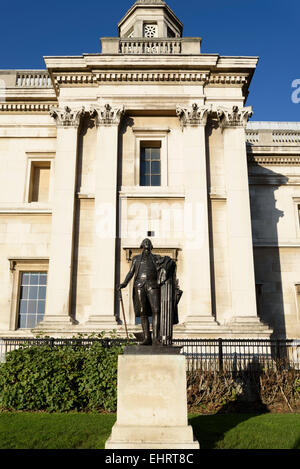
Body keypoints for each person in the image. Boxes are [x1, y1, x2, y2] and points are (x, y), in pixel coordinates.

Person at [119, 238, 164, 345]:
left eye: (148, 242)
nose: (147, 243)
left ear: (151, 245)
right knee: (143, 312)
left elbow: (164, 268)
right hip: (139, 285)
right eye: (145, 242)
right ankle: (146, 337)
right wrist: (124, 283)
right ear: (142, 245)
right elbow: (131, 272)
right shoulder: (136, 258)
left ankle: (156, 337)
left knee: (156, 310)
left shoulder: (157, 258)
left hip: (153, 285)